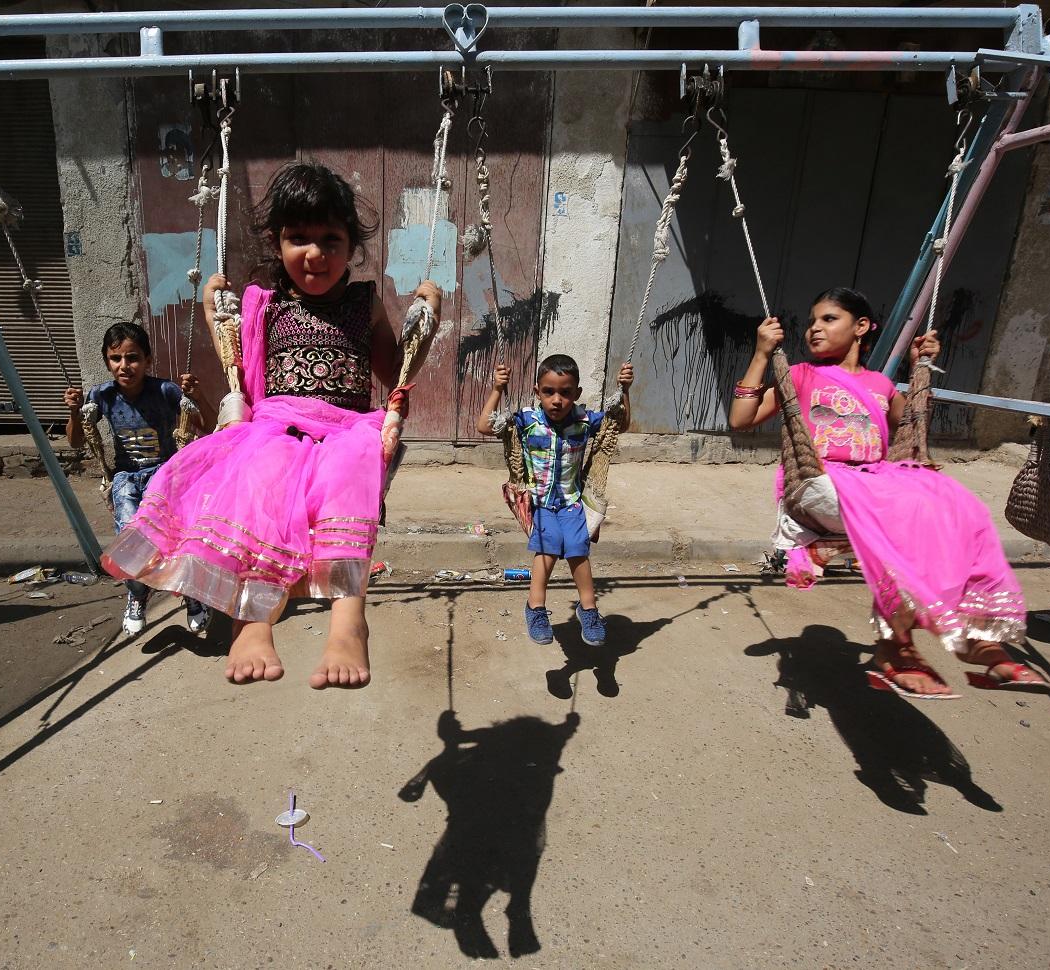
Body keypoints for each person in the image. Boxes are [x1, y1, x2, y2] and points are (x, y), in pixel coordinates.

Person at [101, 161, 440, 689]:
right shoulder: (265, 304)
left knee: (351, 478)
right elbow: (244, 371)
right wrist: (219, 310)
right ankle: (252, 620)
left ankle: (349, 620)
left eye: (331, 239)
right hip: (276, 424)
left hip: (347, 426)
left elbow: (391, 372)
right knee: (260, 486)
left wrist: (425, 319)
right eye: (298, 238)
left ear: (352, 245)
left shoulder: (363, 302)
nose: (315, 253)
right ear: (277, 243)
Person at [728, 286, 1050, 700]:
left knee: (960, 508)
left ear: (861, 327)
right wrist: (760, 354)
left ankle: (972, 635)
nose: (814, 329)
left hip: (876, 485)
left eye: (828, 319)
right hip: (820, 484)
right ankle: (896, 645)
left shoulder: (881, 386)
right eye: (812, 321)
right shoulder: (801, 375)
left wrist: (921, 370)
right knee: (906, 513)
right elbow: (742, 418)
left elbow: (912, 430)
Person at [477, 354, 634, 647]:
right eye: (549, 392)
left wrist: (624, 391)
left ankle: (589, 611)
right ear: (538, 392)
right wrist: (498, 389)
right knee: (548, 551)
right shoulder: (526, 420)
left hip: (572, 501)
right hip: (538, 502)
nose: (557, 400)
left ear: (577, 394)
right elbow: (485, 426)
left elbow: (619, 425)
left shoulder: (585, 420)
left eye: (565, 392)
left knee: (577, 550)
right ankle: (535, 608)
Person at [64, 323, 209, 637]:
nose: (124, 366)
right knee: (131, 542)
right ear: (107, 361)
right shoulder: (101, 395)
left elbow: (205, 425)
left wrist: (196, 396)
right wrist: (75, 412)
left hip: (166, 473)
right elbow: (76, 442)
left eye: (132, 358)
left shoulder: (165, 391)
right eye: (116, 358)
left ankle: (191, 593)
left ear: (147, 360)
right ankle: (137, 593)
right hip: (126, 477)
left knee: (175, 536)